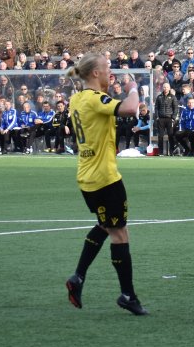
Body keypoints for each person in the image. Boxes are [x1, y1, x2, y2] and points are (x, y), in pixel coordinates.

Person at [63, 53, 148, 316]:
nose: (110, 70)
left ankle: (78, 277)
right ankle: (127, 295)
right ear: (96, 74)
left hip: (86, 176)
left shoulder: (76, 99)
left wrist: (111, 89)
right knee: (120, 233)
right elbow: (130, 108)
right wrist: (133, 87)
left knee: (105, 225)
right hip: (105, 178)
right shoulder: (94, 99)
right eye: (107, 67)